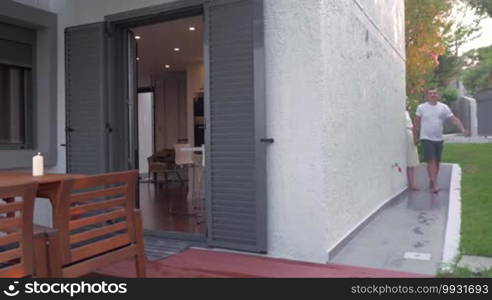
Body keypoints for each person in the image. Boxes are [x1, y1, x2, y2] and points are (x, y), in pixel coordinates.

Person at [415, 87, 469, 193]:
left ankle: (432, 180)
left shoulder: (443, 107)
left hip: (438, 138)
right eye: (430, 93)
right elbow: (416, 122)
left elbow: (453, 119)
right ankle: (435, 184)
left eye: (435, 93)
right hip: (426, 138)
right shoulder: (421, 107)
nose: (433, 95)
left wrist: (462, 129)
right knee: (431, 161)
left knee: (437, 162)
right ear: (427, 96)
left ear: (438, 95)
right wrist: (415, 136)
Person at [406, 110, 420, 190]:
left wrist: (415, 138)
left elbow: (412, 127)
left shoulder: (406, 112)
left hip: (409, 136)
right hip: (401, 136)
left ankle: (412, 183)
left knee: (411, 160)